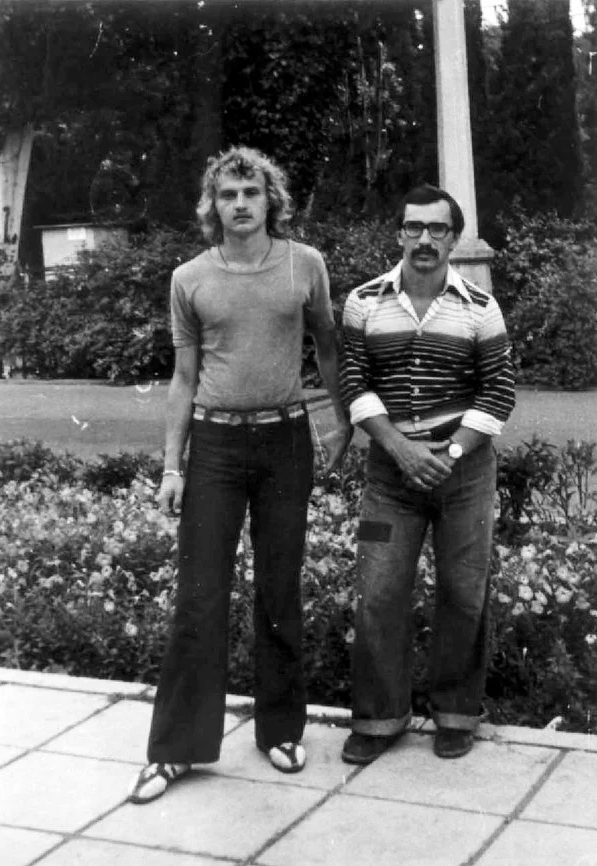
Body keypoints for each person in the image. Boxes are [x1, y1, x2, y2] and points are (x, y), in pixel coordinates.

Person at [128, 145, 352, 804]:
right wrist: (172, 465)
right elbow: (183, 377)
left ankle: (280, 731)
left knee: (279, 591)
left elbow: (329, 347)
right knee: (199, 597)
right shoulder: (190, 278)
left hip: (286, 441)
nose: (241, 204)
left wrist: (341, 422)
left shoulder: (305, 264)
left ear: (270, 200)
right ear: (213, 205)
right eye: (228, 194)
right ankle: (176, 749)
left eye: (251, 192)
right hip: (216, 447)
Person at [339, 183, 515, 763]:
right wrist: (400, 449)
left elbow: (498, 393)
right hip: (388, 479)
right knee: (377, 591)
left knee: (464, 592)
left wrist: (450, 453)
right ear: (399, 233)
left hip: (466, 476)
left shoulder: (480, 308)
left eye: (437, 229)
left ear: (453, 239)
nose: (424, 239)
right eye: (413, 227)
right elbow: (353, 384)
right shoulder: (364, 302)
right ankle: (378, 719)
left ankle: (456, 715)